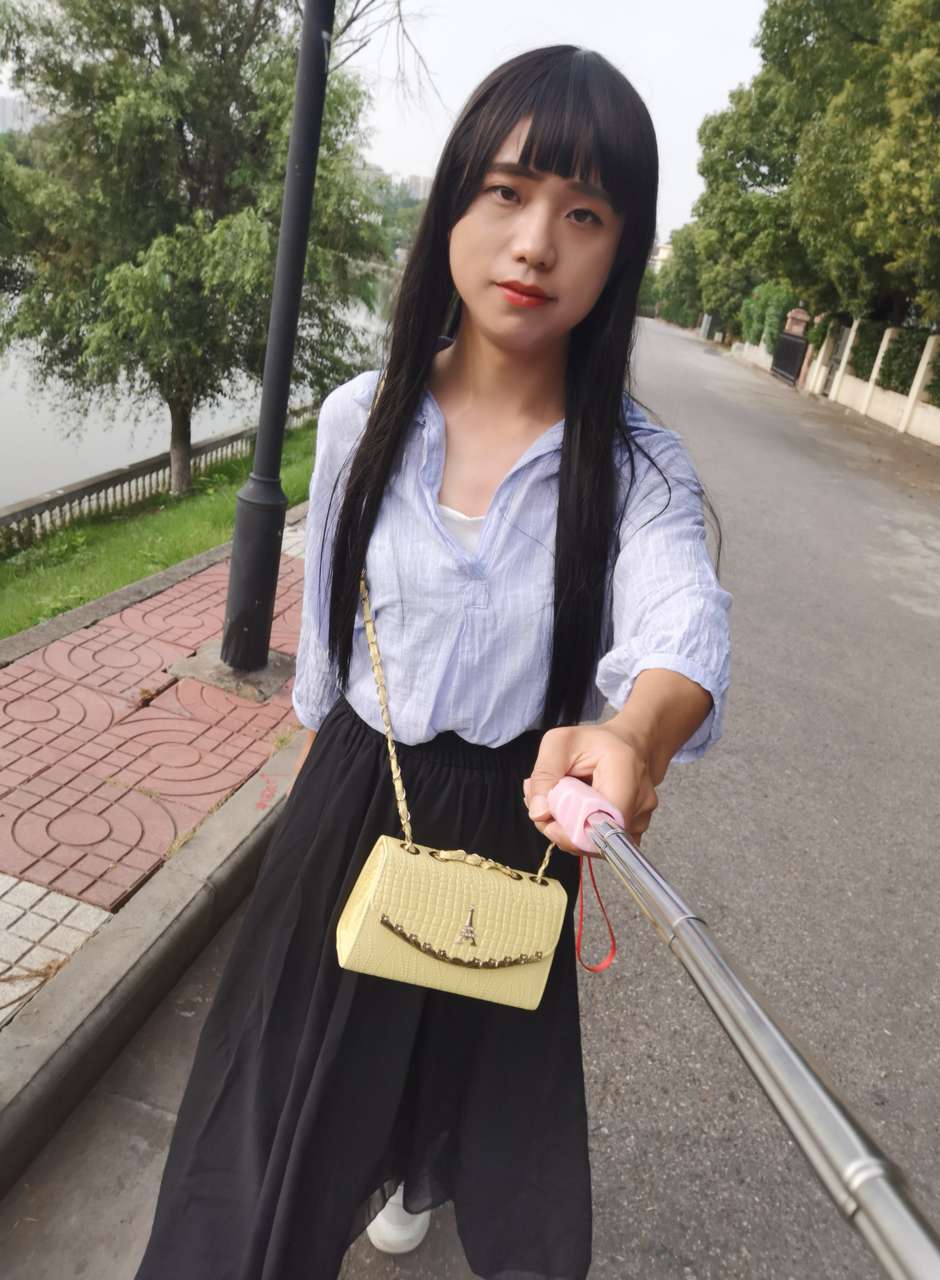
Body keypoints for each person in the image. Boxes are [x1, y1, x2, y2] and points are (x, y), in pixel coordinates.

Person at [132, 43, 732, 1280]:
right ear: (454, 204)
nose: (535, 244)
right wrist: (309, 786)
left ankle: (417, 1168)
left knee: (469, 1068)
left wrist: (635, 732)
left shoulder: (638, 467)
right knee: (271, 1125)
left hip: (521, 815)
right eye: (506, 193)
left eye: (584, 213)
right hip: (358, 791)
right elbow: (328, 643)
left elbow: (683, 617)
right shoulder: (363, 415)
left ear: (620, 250)